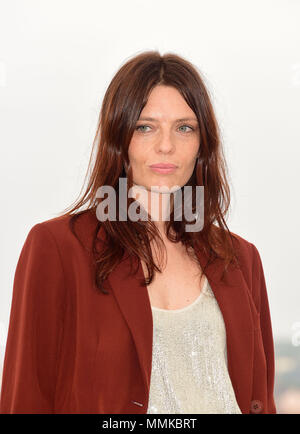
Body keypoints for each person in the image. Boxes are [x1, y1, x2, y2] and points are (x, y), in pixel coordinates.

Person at [0, 51, 276, 414]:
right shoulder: (58, 248)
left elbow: (260, 395)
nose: (166, 145)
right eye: (145, 126)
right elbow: (27, 397)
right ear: (119, 137)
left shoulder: (240, 259)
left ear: (202, 145)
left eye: (184, 127)